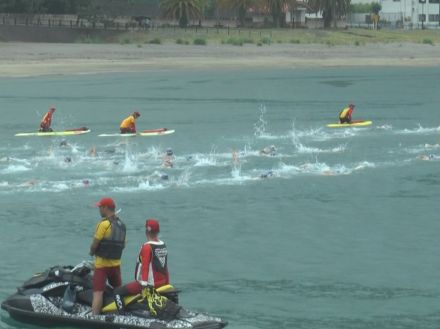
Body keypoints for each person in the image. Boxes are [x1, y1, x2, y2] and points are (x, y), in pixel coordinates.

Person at [114, 219, 169, 311]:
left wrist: (144, 286)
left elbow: (145, 267)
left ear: (146, 231)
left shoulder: (147, 247)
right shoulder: (162, 245)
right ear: (158, 231)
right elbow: (165, 267)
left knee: (117, 292)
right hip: (162, 283)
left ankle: (123, 315)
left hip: (148, 284)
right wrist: (167, 283)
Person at [89, 197, 126, 315]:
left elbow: (95, 244)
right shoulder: (122, 225)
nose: (99, 210)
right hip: (116, 266)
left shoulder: (103, 224)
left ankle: (94, 317)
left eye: (100, 207)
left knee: (98, 292)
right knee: (119, 291)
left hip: (101, 266)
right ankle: (122, 314)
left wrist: (91, 253)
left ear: (105, 208)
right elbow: (123, 245)